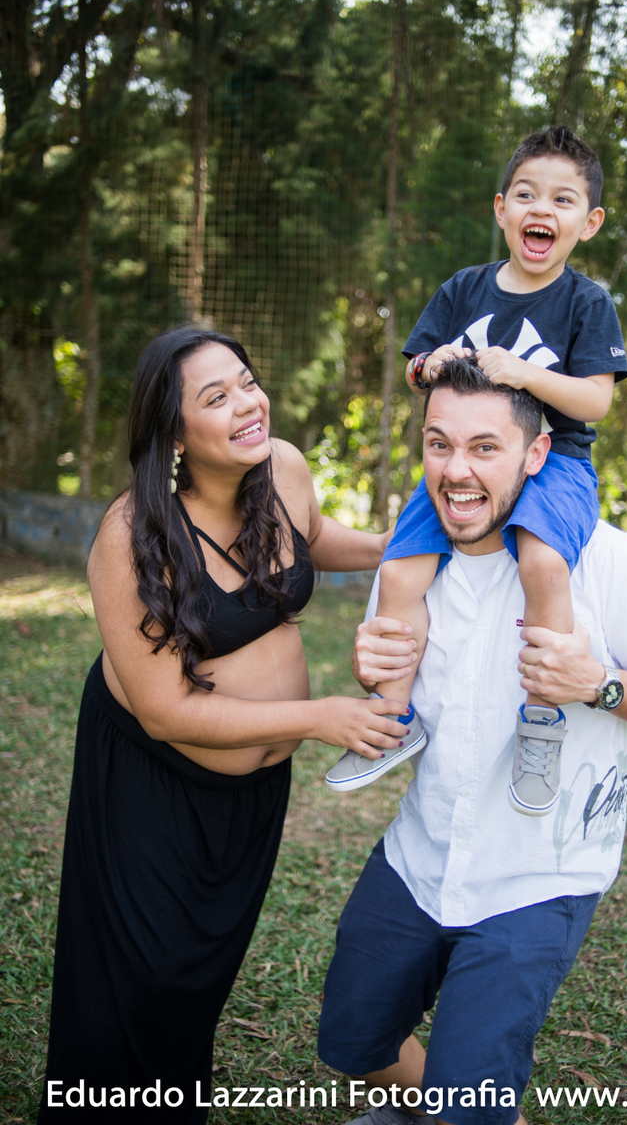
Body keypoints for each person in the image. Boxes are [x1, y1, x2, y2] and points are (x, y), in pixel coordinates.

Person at [317, 356, 627, 1125]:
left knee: (468, 1101)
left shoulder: (606, 560)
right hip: (419, 855)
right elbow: (403, 702)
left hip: (537, 879)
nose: (455, 471)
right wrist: (372, 673)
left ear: (535, 455)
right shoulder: (410, 566)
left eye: (484, 448)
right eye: (438, 445)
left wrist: (597, 683)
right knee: (353, 1039)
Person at [38, 327, 410, 1123]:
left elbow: (313, 539)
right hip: (152, 786)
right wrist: (321, 717)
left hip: (252, 795)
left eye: (246, 381)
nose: (247, 404)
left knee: (196, 976)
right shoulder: (132, 536)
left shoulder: (285, 469)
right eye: (216, 397)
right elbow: (164, 709)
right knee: (141, 978)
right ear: (173, 432)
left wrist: (392, 547)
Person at [325, 126, 627, 815]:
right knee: (399, 573)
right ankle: (393, 717)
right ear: (501, 209)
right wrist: (427, 365)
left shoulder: (587, 303)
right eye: (525, 194)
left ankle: (541, 720)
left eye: (562, 199)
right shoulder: (463, 288)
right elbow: (417, 367)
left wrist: (524, 373)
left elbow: (595, 401)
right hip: (463, 461)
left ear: (588, 223)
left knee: (543, 564)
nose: (540, 209)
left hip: (555, 461)